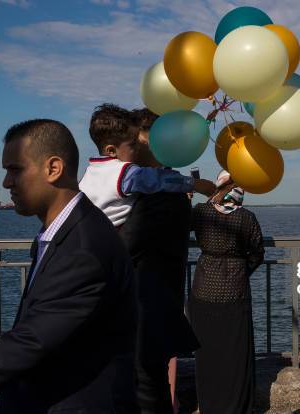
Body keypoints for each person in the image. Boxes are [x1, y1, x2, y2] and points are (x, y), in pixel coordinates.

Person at [0, 119, 138, 413]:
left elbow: (28, 345)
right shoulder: (66, 232)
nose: (6, 182)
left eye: (15, 170)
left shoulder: (83, 249)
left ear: (53, 168)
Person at [115, 108, 204, 414]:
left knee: (146, 389)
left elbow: (126, 246)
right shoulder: (169, 189)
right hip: (158, 306)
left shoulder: (159, 195)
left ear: (153, 141)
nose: (129, 146)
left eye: (134, 138)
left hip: (146, 311)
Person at [188, 170, 265, 414]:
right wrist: (241, 269)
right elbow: (257, 253)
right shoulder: (247, 218)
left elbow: (181, 223)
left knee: (207, 352)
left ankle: (209, 404)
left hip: (203, 289)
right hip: (235, 291)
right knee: (235, 352)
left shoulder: (201, 212)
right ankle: (236, 406)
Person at [79, 103, 215, 228]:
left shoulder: (89, 173)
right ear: (112, 150)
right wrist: (195, 183)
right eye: (133, 144)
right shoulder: (126, 173)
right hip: (111, 238)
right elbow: (162, 179)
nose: (137, 148)